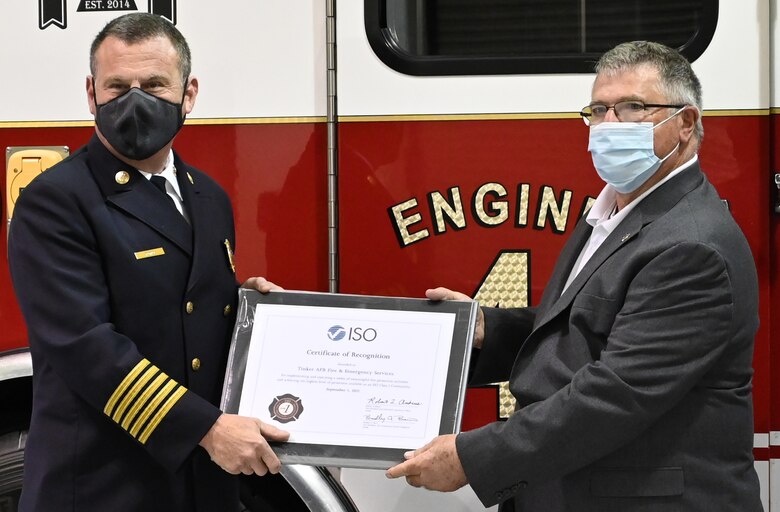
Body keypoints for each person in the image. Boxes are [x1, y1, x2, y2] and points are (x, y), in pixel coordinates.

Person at [387, 41, 763, 511]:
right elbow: (582, 330)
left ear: (685, 124)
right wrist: (485, 329)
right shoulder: (612, 212)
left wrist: (471, 458)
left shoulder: (692, 246)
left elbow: (615, 395)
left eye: (632, 108)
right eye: (599, 109)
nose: (609, 125)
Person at [8, 13, 288, 512]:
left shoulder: (209, 196)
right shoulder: (54, 200)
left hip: (201, 485)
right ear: (92, 94)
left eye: (155, 84)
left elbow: (183, 305)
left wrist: (255, 314)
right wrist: (206, 428)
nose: (135, 100)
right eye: (118, 86)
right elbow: (86, 348)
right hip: (105, 486)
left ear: (189, 93)